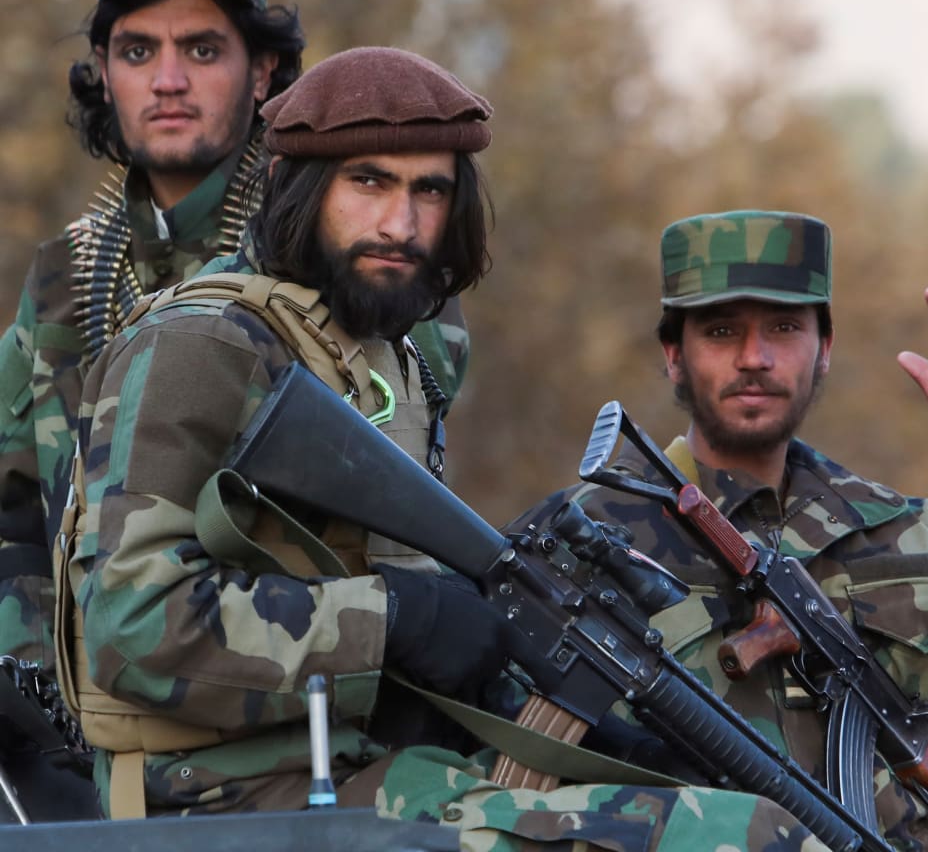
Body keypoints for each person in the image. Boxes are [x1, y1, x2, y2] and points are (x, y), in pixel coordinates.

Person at [53, 56, 837, 851]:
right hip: (227, 799)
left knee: (728, 801)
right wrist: (397, 618)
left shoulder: (388, 351)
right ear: (298, 186)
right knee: (748, 839)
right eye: (369, 182)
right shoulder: (200, 345)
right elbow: (129, 626)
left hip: (378, 763)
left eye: (429, 190)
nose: (401, 223)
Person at [0, 0, 469, 677]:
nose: (168, 80)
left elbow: (391, 502)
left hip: (285, 696)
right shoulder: (64, 277)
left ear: (262, 71)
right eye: (138, 51)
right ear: (103, 71)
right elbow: (13, 518)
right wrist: (33, 684)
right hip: (95, 704)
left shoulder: (347, 246)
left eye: (203, 49)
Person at [509, 208, 928, 851]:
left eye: (784, 327)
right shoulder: (581, 537)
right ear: (674, 354)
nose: (754, 358)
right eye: (721, 331)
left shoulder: (896, 531)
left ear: (824, 349)